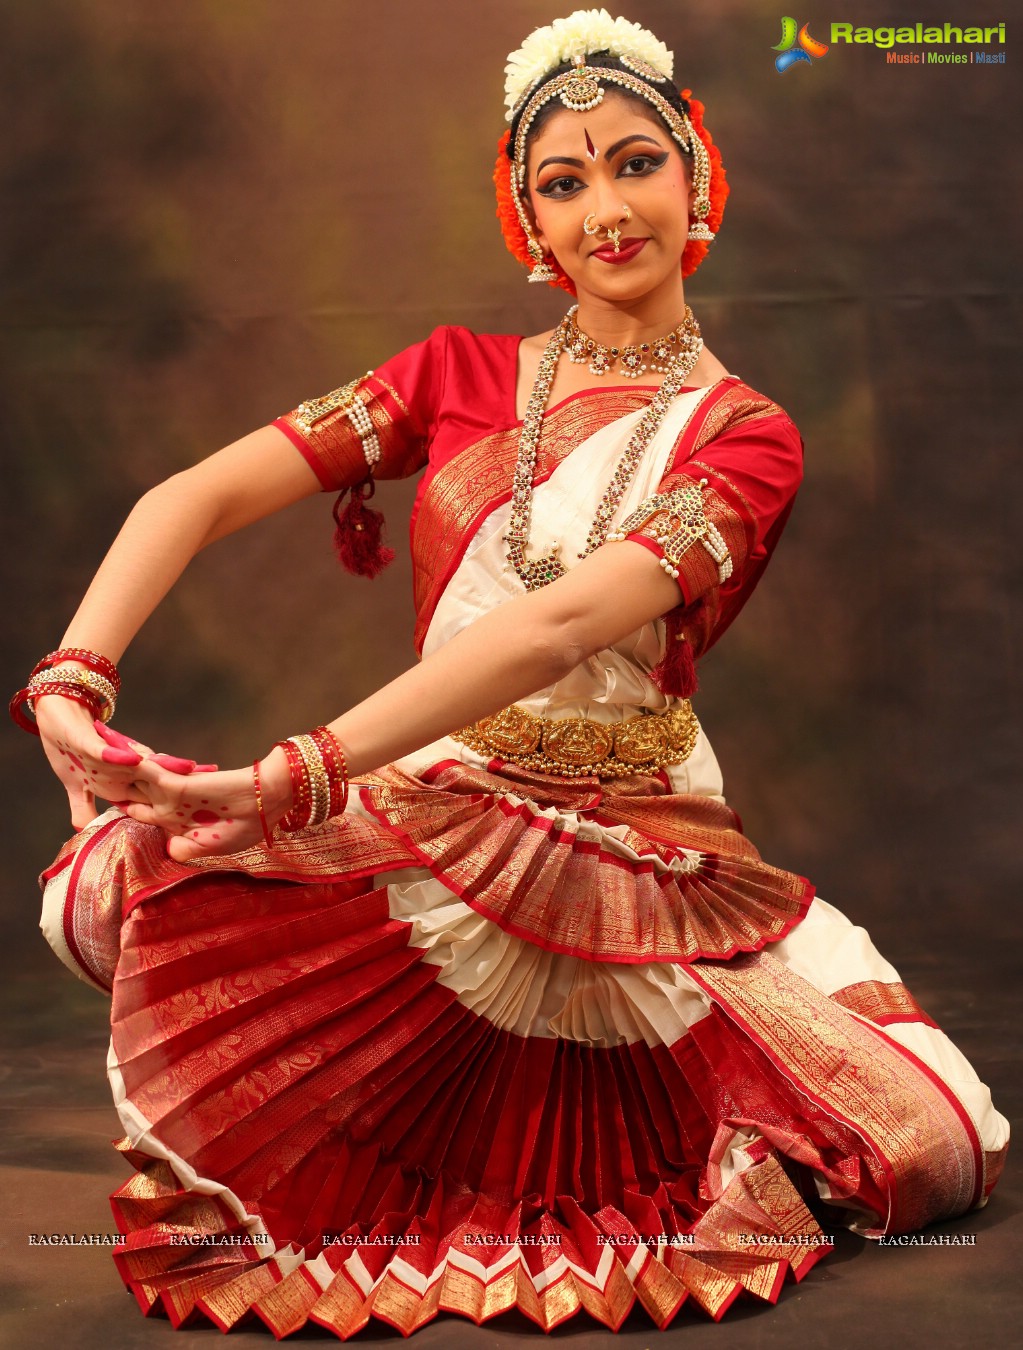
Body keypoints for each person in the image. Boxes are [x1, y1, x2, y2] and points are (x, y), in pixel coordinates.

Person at [13, 9, 1008, 1339]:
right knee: (113, 888)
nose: (607, 206)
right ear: (526, 222)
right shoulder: (457, 376)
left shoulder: (746, 435)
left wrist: (298, 773)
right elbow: (189, 494)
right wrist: (73, 675)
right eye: (563, 180)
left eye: (636, 162)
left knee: (931, 1140)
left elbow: (555, 630)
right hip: (436, 795)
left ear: (698, 174)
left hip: (640, 842)